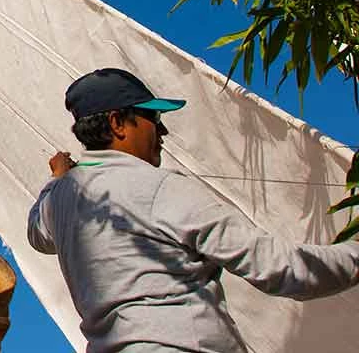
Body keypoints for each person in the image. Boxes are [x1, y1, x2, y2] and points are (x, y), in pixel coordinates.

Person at [27, 67, 359, 353]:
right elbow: (283, 268)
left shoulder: (59, 199)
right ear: (117, 123)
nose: (163, 131)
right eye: (153, 118)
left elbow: (37, 235)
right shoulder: (160, 188)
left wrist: (58, 179)